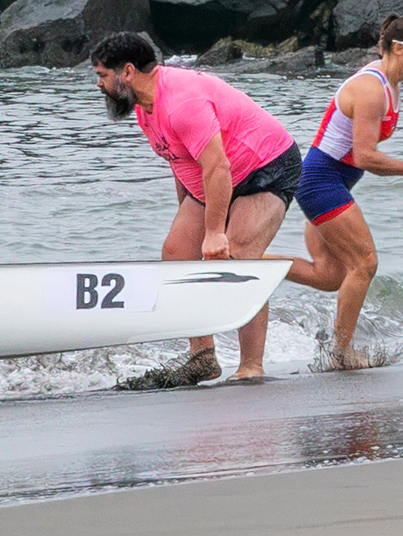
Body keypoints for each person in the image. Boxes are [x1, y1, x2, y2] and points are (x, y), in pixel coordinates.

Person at [90, 32, 301, 385]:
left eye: (102, 75)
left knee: (241, 257)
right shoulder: (145, 108)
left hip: (266, 166)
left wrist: (215, 232)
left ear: (127, 71)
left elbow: (217, 166)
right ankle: (203, 358)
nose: (99, 84)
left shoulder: (182, 103)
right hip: (216, 176)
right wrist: (189, 218)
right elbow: (179, 160)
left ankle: (251, 366)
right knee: (177, 254)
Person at [286, 14, 403, 368]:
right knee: (364, 263)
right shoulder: (371, 89)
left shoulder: (391, 83)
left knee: (329, 276)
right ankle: (340, 353)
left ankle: (248, 261)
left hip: (331, 182)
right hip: (320, 182)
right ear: (398, 48)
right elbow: (364, 156)